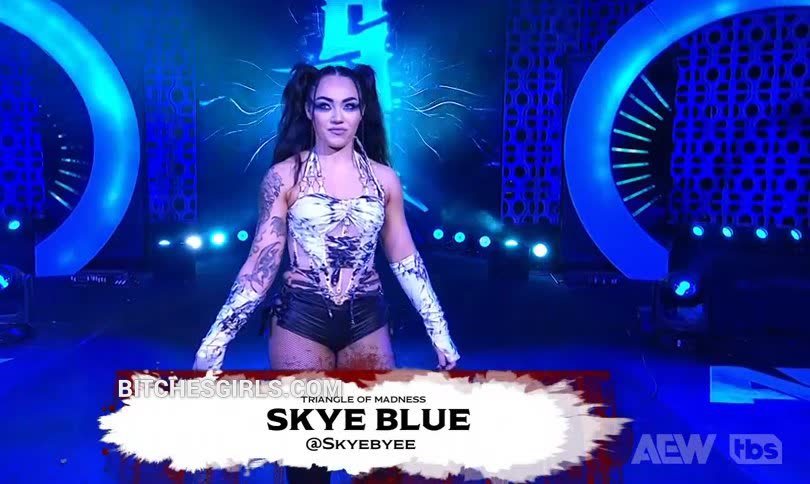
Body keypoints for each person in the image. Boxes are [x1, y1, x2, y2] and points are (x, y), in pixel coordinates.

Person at [192, 63, 460, 374]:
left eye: (349, 106)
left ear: (362, 112)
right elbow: (260, 265)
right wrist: (217, 339)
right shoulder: (284, 177)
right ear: (309, 110)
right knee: (307, 406)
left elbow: (405, 258)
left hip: (367, 316)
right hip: (301, 316)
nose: (337, 117)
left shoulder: (384, 180)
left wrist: (438, 329)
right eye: (325, 105)